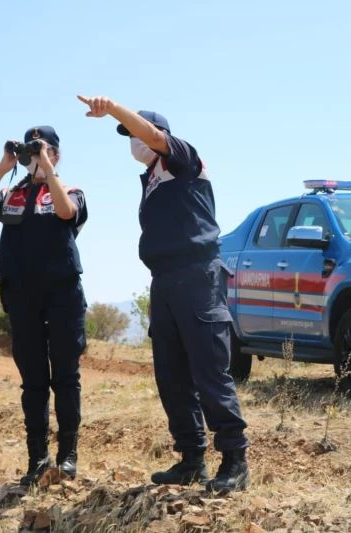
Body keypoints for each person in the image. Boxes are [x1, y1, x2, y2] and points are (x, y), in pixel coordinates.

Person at [77, 94, 250, 494]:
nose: (132, 142)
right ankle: (192, 460)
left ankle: (235, 460)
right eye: (127, 137)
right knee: (171, 375)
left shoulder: (181, 159)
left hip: (196, 276)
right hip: (165, 281)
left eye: (133, 133)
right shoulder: (152, 178)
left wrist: (114, 109)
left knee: (209, 370)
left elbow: (152, 135)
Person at [0, 126, 89, 487]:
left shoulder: (70, 191)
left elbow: (67, 214)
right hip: (22, 293)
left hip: (62, 292)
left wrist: (46, 170)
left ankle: (67, 456)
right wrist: (3, 166)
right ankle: (37, 458)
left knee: (66, 376)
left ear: (56, 154)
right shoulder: (10, 193)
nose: (35, 156)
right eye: (31, 150)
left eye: (44, 149)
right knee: (33, 380)